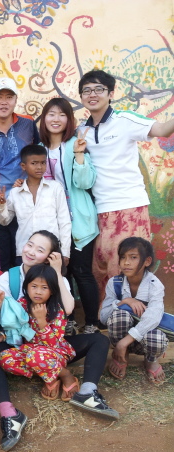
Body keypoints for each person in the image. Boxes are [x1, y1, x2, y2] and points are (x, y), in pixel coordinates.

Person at [0, 230, 118, 452]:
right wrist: (0, 305)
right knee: (0, 355)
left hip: (52, 346)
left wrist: (56, 273)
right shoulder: (10, 279)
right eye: (30, 245)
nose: (31, 252)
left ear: (50, 256)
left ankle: (84, 389)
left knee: (99, 340)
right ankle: (11, 413)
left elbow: (65, 313)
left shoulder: (55, 292)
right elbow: (12, 316)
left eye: (40, 249)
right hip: (21, 344)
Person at [77, 69, 174, 295]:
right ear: (81, 97)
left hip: (129, 206)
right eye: (86, 90)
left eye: (99, 89)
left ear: (110, 93)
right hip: (99, 210)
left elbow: (161, 129)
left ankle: (134, 319)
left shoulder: (126, 120)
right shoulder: (82, 131)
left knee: (128, 267)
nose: (92, 94)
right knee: (101, 270)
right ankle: (109, 320)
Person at [37, 97, 101, 334]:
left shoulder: (76, 143)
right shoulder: (40, 150)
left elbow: (85, 182)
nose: (56, 119)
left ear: (69, 120)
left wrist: (80, 155)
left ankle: (92, 323)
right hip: (52, 223)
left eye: (61, 114)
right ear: (44, 119)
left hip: (78, 220)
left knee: (81, 271)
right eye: (51, 114)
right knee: (59, 271)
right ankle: (68, 319)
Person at [0, 78, 40, 271]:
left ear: (15, 100)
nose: (4, 102)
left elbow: (38, 156)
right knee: (2, 257)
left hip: (27, 199)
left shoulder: (28, 125)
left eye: (9, 97)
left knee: (28, 255)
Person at [0, 265, 78, 401]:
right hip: (30, 350)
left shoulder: (57, 310)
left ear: (52, 290)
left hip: (55, 352)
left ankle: (65, 375)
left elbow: (53, 343)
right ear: (27, 287)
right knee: (5, 358)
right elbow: (13, 325)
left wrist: (41, 320)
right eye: (34, 286)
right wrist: (3, 334)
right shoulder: (21, 304)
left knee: (36, 356)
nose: (38, 292)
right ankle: (48, 373)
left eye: (44, 287)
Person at [102, 237, 167, 385]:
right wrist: (123, 302)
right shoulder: (115, 283)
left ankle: (151, 360)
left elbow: (153, 318)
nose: (126, 262)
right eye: (123, 257)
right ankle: (122, 357)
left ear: (147, 261)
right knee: (120, 315)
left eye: (133, 257)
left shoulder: (155, 286)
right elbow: (103, 317)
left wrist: (124, 342)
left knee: (157, 338)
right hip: (121, 337)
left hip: (143, 340)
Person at [0, 145, 71, 266]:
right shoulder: (16, 192)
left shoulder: (55, 188)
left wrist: (65, 252)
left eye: (43, 163)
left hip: (50, 253)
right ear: (23, 166)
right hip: (25, 253)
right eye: (34, 163)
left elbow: (64, 221)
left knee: (49, 284)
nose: (39, 167)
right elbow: (4, 221)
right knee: (26, 284)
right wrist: (1, 205)